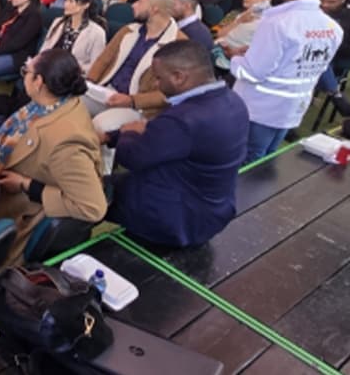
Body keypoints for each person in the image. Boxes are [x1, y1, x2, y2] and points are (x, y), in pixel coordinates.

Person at [102, 41, 250, 247]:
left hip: (174, 216)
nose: (155, 84)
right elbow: (159, 137)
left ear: (179, 77)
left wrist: (127, 133)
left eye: (158, 77)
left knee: (86, 192)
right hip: (211, 208)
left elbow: (132, 157)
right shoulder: (233, 101)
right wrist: (114, 136)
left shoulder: (184, 120)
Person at [0, 49, 107, 266]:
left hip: (18, 210)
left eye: (26, 71)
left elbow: (93, 207)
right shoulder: (53, 103)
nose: (23, 75)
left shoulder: (65, 142)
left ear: (39, 82)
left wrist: (27, 185)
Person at [230, 0, 342, 163]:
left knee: (247, 162)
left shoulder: (278, 22)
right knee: (266, 160)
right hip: (293, 106)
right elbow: (314, 65)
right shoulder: (332, 27)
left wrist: (234, 58)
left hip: (259, 107)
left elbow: (254, 72)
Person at [84, 0, 185, 172]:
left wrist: (131, 100)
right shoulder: (128, 30)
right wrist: (89, 84)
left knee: (102, 125)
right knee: (66, 102)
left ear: (154, 9)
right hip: (107, 92)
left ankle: (101, 180)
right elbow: (103, 60)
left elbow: (170, 93)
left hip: (139, 107)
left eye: (139, 2)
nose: (133, 5)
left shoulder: (178, 44)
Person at [39, 0, 108, 72]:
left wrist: (75, 69)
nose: (66, 5)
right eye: (66, 0)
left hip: (72, 75)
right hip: (49, 69)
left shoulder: (97, 32)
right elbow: (45, 48)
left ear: (86, 5)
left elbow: (95, 65)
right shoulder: (58, 22)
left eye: (71, 1)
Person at [213, 0, 274, 70]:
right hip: (218, 50)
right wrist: (239, 21)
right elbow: (219, 34)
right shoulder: (237, 14)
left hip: (235, 62)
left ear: (267, 1)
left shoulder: (269, 23)